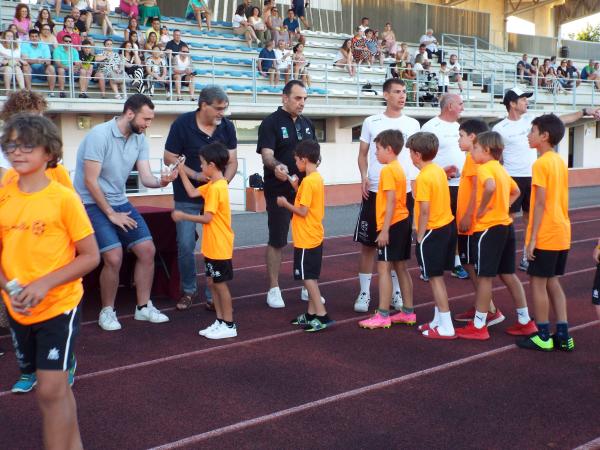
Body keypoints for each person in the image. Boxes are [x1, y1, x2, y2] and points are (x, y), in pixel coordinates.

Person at [0, 114, 100, 447]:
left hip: (59, 305)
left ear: (48, 153)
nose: (17, 151)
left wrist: (44, 284)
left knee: (50, 389)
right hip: (18, 309)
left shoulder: (63, 198)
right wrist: (8, 287)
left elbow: (90, 255)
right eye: (11, 144)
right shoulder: (3, 195)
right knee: (54, 392)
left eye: (27, 144)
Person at [73, 94, 177, 331]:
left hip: (120, 201)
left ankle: (143, 307)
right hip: (90, 203)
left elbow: (146, 177)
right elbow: (90, 181)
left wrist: (162, 182)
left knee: (147, 250)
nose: (148, 124)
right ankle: (107, 311)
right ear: (129, 113)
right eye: (146, 119)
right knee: (114, 256)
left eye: (151, 120)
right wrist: (110, 214)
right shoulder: (99, 135)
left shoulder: (140, 139)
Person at [493, 87, 600, 271]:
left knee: (530, 217)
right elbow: (497, 155)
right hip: (512, 178)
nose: (526, 101)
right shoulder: (499, 128)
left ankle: (527, 255)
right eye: (523, 99)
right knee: (506, 218)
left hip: (534, 176)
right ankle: (502, 257)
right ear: (512, 103)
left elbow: (561, 120)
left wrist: (584, 111)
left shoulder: (532, 121)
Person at [164, 87, 238, 311]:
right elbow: (169, 156)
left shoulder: (227, 126)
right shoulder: (182, 123)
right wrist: (196, 175)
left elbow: (232, 161)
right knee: (186, 245)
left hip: (214, 196)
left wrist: (220, 183)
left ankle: (212, 294)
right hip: (187, 195)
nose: (222, 114)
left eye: (224, 109)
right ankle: (189, 289)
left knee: (214, 246)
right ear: (203, 105)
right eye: (218, 109)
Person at [455, 131, 533, 340]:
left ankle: (479, 324)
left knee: (484, 277)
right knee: (508, 274)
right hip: (505, 226)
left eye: (477, 149)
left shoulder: (484, 169)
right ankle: (525, 321)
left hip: (488, 228)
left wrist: (481, 209)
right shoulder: (500, 168)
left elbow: (489, 187)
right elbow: (515, 191)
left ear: (487, 150)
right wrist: (503, 205)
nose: (473, 152)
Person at [354, 78, 420, 313]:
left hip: (404, 194)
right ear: (385, 95)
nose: (402, 96)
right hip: (374, 191)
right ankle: (364, 292)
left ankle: (396, 292)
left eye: (404, 92)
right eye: (396, 92)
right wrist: (363, 176)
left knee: (397, 245)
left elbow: (417, 157)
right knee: (368, 244)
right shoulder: (371, 121)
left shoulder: (412, 123)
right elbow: (362, 154)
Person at [257, 80, 316, 308]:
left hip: (305, 191)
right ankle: (273, 288)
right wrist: (277, 167)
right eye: (297, 98)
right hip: (279, 191)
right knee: (278, 239)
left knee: (307, 239)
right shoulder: (270, 123)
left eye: (304, 99)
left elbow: (315, 156)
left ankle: (306, 286)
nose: (302, 103)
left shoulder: (308, 123)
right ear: (284, 98)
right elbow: (267, 155)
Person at [518, 114, 574, 351]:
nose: (528, 136)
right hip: (562, 230)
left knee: (538, 283)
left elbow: (539, 204)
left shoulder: (540, 164)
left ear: (544, 136)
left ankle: (542, 335)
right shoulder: (559, 160)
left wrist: (531, 240)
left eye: (532, 131)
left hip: (547, 232)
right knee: (553, 283)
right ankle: (563, 334)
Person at [172, 143, 237, 339]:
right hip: (212, 245)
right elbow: (192, 192)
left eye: (201, 164)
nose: (200, 168)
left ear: (211, 164)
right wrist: (181, 170)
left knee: (220, 285)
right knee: (212, 282)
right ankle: (220, 321)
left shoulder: (218, 188)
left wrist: (184, 216)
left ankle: (229, 324)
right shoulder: (213, 184)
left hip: (220, 245)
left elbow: (208, 218)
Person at [358, 129, 415, 329]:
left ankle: (383, 314)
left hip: (393, 224)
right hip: (402, 221)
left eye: (378, 149)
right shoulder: (398, 168)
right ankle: (408, 311)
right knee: (400, 267)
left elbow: (390, 202)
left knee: (383, 267)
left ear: (389, 149)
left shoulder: (389, 170)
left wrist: (384, 230)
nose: (375, 153)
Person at [278, 140, 335, 331]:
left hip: (306, 236)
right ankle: (311, 313)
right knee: (309, 275)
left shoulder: (310, 182)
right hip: (312, 234)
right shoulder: (313, 178)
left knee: (307, 278)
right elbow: (305, 200)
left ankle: (322, 315)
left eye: (296, 160)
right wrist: (294, 185)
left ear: (304, 159)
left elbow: (302, 211)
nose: (295, 164)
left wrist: (285, 204)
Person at [453, 119, 504, 326]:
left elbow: (477, 189)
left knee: (472, 265)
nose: (459, 139)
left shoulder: (475, 159)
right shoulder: (470, 158)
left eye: (461, 135)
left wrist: (467, 215)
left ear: (473, 137)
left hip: (472, 222)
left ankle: (489, 308)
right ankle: (482, 305)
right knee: (468, 263)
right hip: (471, 220)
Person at [408, 132, 457, 339]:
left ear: (417, 154)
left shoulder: (424, 177)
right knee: (437, 278)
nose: (410, 156)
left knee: (435, 279)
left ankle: (447, 326)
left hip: (432, 231)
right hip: (446, 227)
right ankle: (439, 321)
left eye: (410, 152)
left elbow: (425, 210)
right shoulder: (437, 170)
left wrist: (419, 235)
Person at [421, 94, 469, 280]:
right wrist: (441, 172)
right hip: (439, 186)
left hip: (460, 185)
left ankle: (456, 263)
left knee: (456, 226)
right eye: (460, 104)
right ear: (450, 106)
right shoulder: (431, 127)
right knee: (436, 226)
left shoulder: (460, 128)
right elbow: (422, 158)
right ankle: (428, 264)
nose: (462, 108)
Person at [21, 29, 56, 93]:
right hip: (30, 68)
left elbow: (48, 61)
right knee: (25, 66)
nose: (34, 38)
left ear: (39, 37)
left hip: (42, 69)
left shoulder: (44, 45)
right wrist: (39, 60)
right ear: (29, 37)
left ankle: (51, 92)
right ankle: (29, 91)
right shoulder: (25, 44)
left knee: (51, 68)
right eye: (32, 36)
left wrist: (33, 60)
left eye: (36, 36)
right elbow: (25, 60)